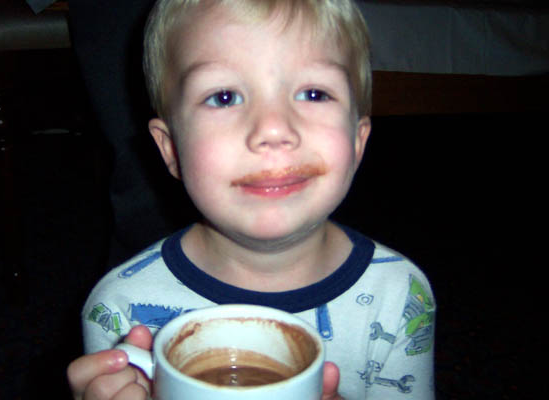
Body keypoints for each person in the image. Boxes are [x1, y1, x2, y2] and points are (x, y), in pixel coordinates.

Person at [67, 0, 436, 399]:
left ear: (358, 141)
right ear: (170, 149)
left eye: (313, 93)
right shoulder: (119, 311)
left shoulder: (402, 297)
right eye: (224, 97)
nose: (273, 129)